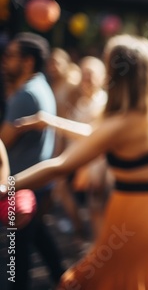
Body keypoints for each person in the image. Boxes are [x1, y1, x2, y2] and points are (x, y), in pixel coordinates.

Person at [5, 34, 148, 289]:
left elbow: (62, 165)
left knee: (91, 282)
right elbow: (97, 135)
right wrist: (52, 121)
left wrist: (7, 186)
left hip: (133, 217)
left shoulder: (121, 123)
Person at [0, 32, 65, 290]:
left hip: (20, 186)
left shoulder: (26, 94)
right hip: (35, 183)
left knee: (16, 258)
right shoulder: (39, 86)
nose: (5, 62)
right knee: (36, 240)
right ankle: (66, 279)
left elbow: (3, 140)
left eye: (10, 56)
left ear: (27, 61)